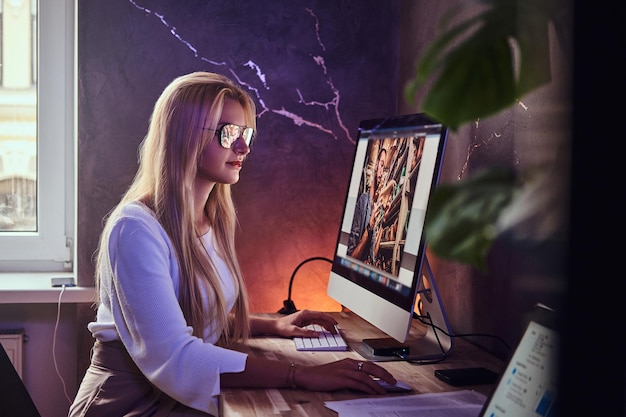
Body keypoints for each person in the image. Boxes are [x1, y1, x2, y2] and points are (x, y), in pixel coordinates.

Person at [69, 72, 397, 417]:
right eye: (228, 134)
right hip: (131, 405)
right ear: (183, 138)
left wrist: (272, 324)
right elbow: (175, 357)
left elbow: (191, 314)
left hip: (174, 397)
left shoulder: (210, 218)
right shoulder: (135, 231)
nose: (243, 147)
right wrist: (301, 375)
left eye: (246, 134)